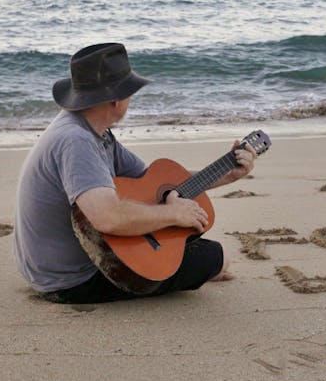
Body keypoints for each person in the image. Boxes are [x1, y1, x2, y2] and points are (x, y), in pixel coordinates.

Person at [13, 42, 256, 304]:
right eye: (130, 92)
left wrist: (227, 174)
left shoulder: (95, 132)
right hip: (73, 279)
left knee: (188, 238)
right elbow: (107, 218)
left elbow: (156, 183)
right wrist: (172, 213)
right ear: (117, 99)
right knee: (216, 258)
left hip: (70, 260)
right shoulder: (77, 141)